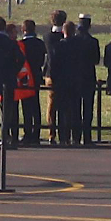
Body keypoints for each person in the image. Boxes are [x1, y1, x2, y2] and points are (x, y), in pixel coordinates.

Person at [0, 16, 22, 147]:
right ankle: (7, 136)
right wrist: (13, 71)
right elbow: (21, 58)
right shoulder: (11, 43)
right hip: (8, 79)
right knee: (8, 111)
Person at [70, 15, 100, 145]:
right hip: (88, 77)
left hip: (75, 78)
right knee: (88, 109)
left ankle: (76, 136)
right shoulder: (93, 42)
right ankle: (87, 137)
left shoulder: (73, 41)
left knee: (75, 108)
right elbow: (96, 60)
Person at [18, 20, 45, 145]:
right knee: (36, 106)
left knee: (26, 106)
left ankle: (28, 132)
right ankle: (37, 133)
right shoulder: (40, 44)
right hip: (36, 75)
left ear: (23, 30)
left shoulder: (22, 45)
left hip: (26, 77)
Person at [43, 9, 68, 143]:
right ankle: (64, 134)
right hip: (64, 74)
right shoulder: (65, 37)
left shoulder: (47, 37)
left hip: (50, 74)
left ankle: (51, 134)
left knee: (51, 105)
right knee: (64, 105)